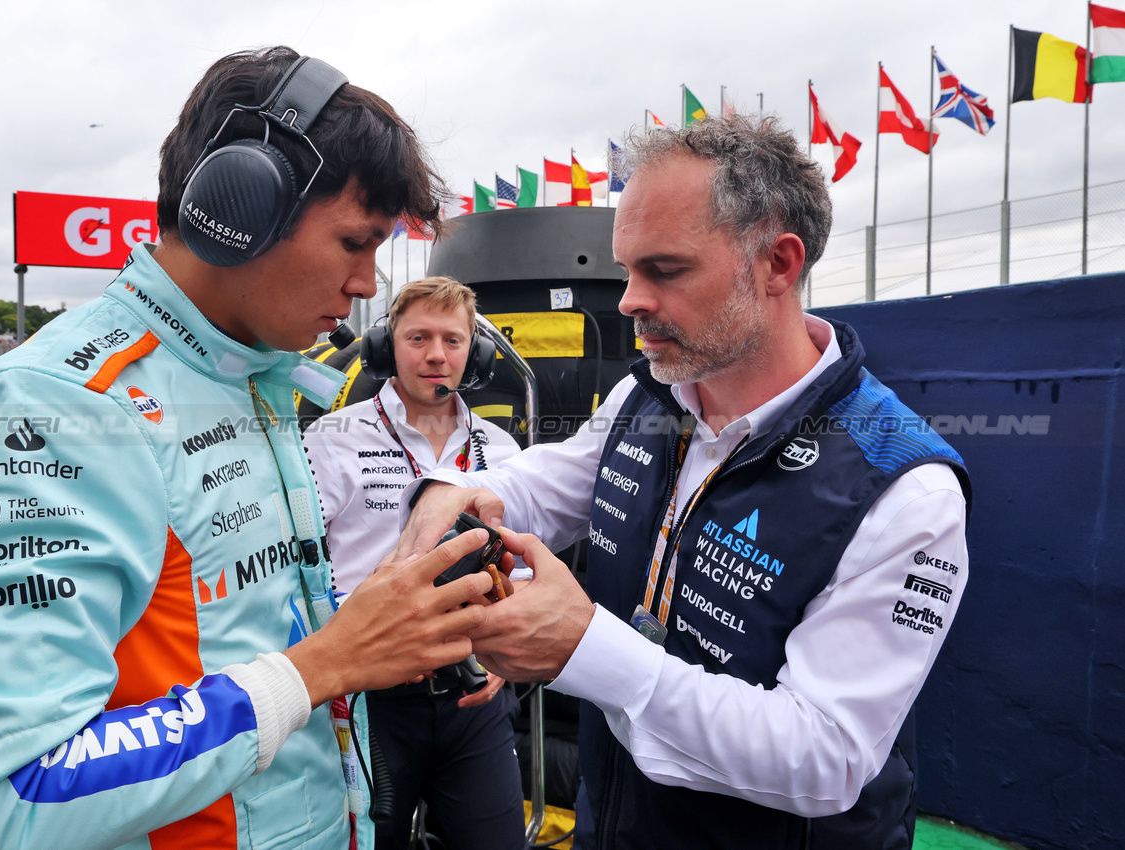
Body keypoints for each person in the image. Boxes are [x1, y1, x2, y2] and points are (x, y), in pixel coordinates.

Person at [0, 46, 494, 850]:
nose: (370, 283)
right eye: (355, 244)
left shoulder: (250, 371)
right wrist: (326, 663)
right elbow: (20, 796)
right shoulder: (55, 407)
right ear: (239, 211)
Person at [396, 116, 971, 849]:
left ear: (777, 265)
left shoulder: (904, 489)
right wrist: (456, 487)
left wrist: (584, 649)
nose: (629, 299)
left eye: (662, 270)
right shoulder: (649, 395)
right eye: (627, 268)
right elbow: (553, 479)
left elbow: (825, 761)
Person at [304, 277, 525, 850]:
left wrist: (508, 649)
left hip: (473, 698)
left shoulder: (502, 449)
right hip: (370, 700)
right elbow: (297, 570)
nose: (435, 355)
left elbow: (518, 569)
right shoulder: (332, 438)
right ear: (384, 348)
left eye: (453, 340)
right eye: (418, 337)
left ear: (473, 353)